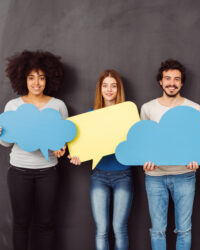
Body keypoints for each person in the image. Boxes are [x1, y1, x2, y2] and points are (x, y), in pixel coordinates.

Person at [0, 50, 67, 250]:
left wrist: (61, 149)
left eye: (41, 78)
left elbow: (62, 142)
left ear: (49, 79)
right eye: (31, 78)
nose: (36, 83)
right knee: (21, 224)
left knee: (46, 224)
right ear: (23, 79)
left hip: (48, 172)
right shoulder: (13, 106)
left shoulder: (58, 105)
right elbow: (6, 144)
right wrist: (1, 134)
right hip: (19, 172)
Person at [140, 59, 200, 250]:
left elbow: (197, 141)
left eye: (176, 79)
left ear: (182, 83)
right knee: (157, 230)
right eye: (167, 78)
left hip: (185, 175)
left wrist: (196, 159)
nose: (171, 83)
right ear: (160, 81)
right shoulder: (148, 108)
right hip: (155, 176)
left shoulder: (194, 108)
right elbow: (144, 142)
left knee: (184, 229)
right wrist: (145, 161)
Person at [68, 69, 133, 250]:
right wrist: (78, 157)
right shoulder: (91, 115)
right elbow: (84, 147)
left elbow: (135, 143)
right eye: (105, 86)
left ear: (118, 89)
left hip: (123, 175)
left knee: (119, 228)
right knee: (101, 230)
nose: (109, 90)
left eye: (113, 86)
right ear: (100, 89)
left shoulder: (127, 114)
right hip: (99, 176)